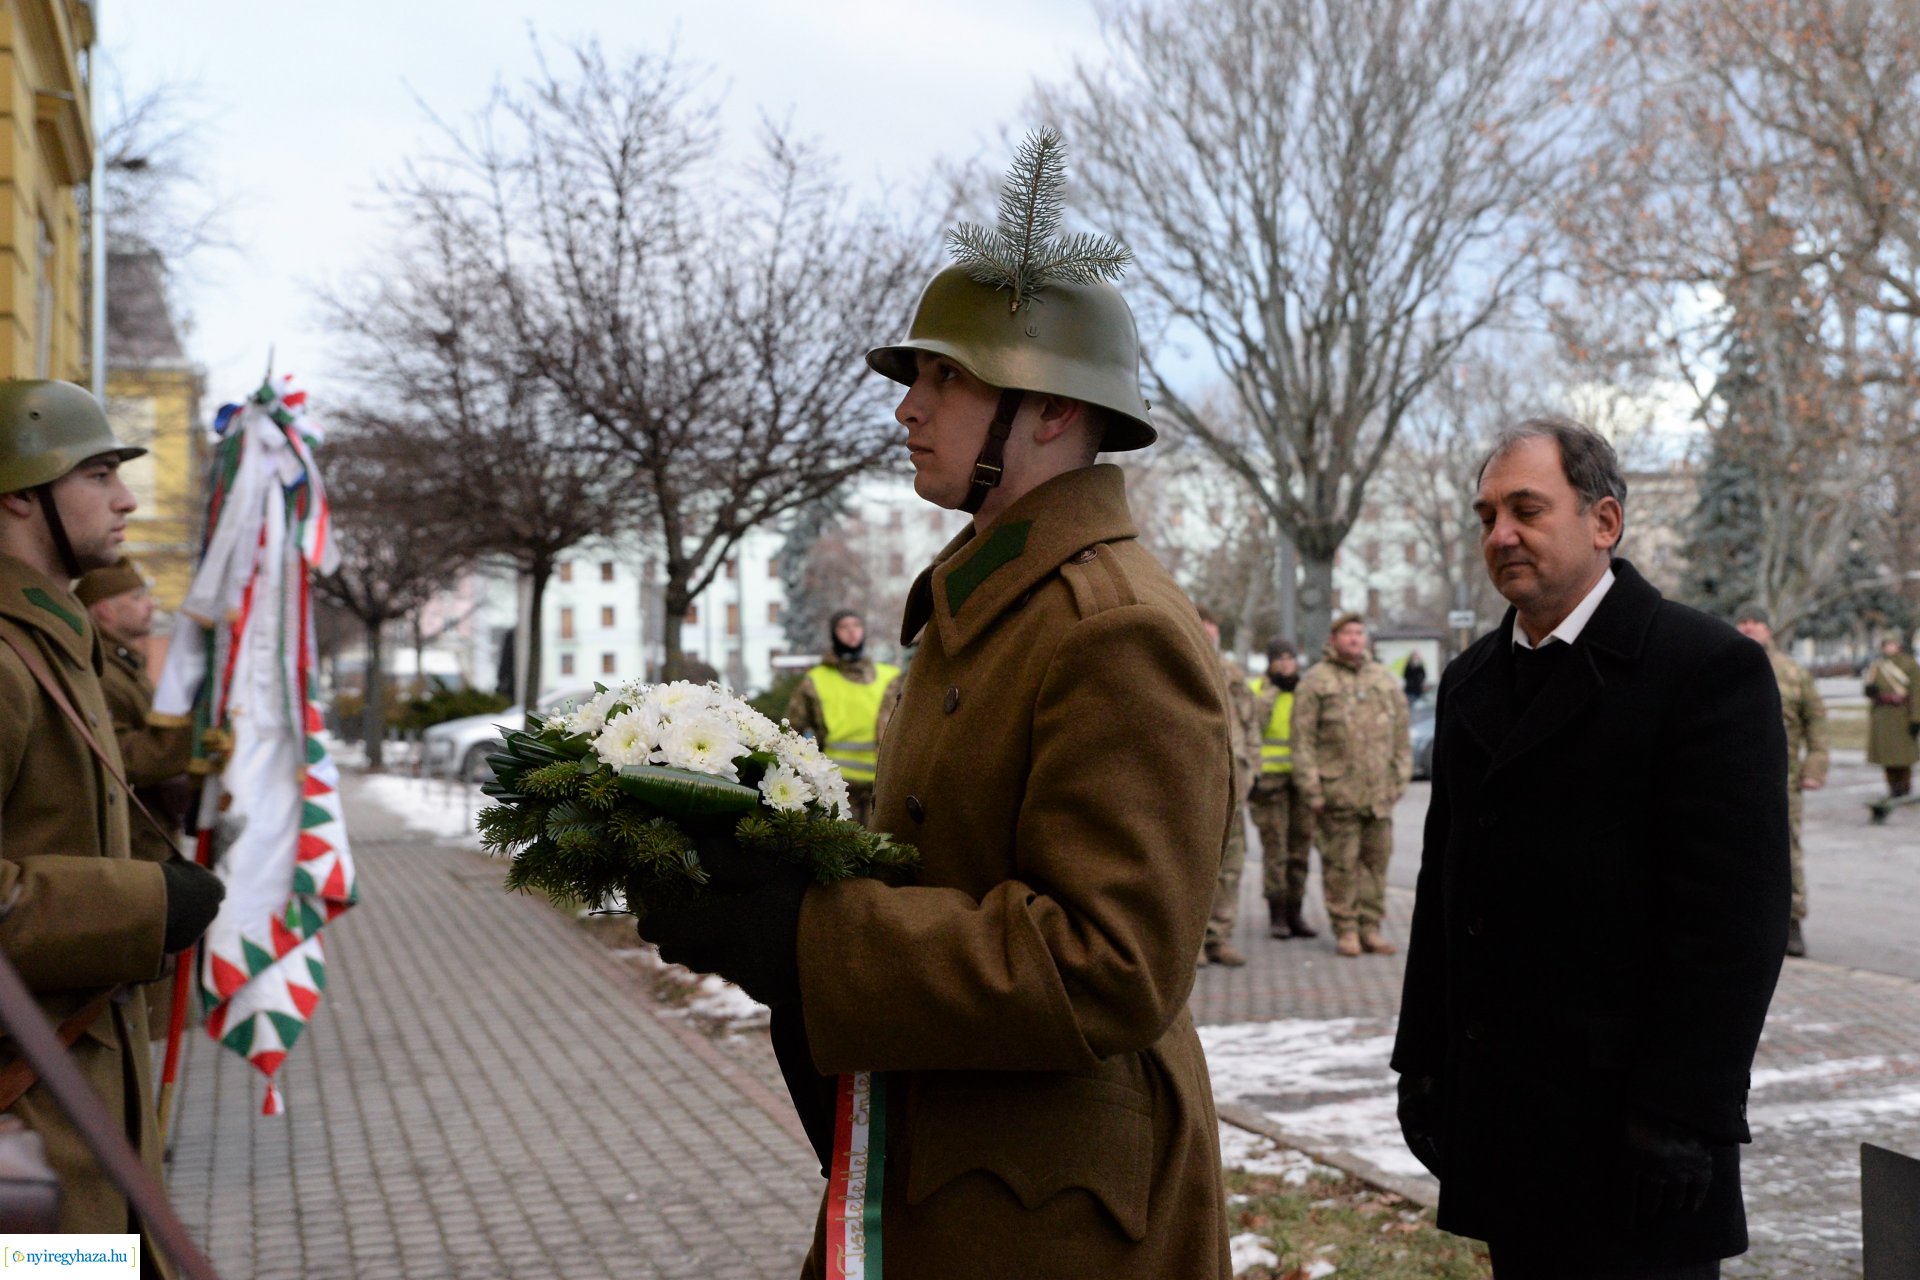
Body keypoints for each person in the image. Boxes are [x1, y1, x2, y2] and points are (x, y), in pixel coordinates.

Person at [633, 133, 1235, 1278]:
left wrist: (806, 937)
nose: (911, 404)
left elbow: (1107, 960)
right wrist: (765, 837)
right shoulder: (997, 596)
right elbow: (950, 834)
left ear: (1052, 409)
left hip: (1053, 1216)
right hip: (962, 1167)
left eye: (945, 375)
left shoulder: (1112, 623)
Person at [1393, 416, 1790, 1279]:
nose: (1501, 535)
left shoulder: (1703, 669)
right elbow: (1445, 894)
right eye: (1487, 514)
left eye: (1527, 509)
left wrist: (1685, 1112)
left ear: (1603, 522)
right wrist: (1421, 1062)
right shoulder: (1472, 681)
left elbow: (1734, 919)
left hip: (1640, 1142)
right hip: (1509, 1123)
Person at [0, 380, 224, 1262]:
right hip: (28, 1127)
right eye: (98, 472)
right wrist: (141, 906)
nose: (127, 497)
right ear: (21, 490)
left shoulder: (54, 638)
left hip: (75, 1108)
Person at [76, 560, 198, 1032]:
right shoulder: (102, 671)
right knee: (139, 1017)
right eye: (135, 598)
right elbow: (125, 756)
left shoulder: (123, 662)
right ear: (103, 610)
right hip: (133, 851)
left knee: (153, 1015)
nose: (150, 605)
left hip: (148, 842)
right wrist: (190, 735)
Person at [1291, 613, 1411, 958]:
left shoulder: (1384, 681)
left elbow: (1401, 737)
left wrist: (1399, 781)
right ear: (1333, 640)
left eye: (1360, 632)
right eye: (1348, 633)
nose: (1355, 639)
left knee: (1375, 867)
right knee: (1340, 865)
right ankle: (1346, 929)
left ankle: (1370, 928)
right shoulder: (1317, 681)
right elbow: (1303, 741)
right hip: (1336, 795)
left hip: (1379, 796)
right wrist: (1312, 789)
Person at [1733, 605, 1827, 959]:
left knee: (1785, 849)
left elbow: (1816, 721)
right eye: (1743, 622)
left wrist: (1815, 767)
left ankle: (1792, 923)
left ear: (1768, 629)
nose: (1749, 628)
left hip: (1781, 778)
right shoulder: (1724, 666)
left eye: (1756, 623)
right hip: (1730, 775)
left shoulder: (1791, 672)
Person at [783, 610, 900, 826]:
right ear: (834, 633)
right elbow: (790, 731)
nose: (851, 632)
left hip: (884, 787)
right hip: (837, 788)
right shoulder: (816, 680)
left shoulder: (890, 677)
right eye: (844, 627)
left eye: (856, 625)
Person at [1197, 606, 1259, 967]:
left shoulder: (1233, 675)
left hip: (1233, 787)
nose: (1207, 631)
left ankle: (1219, 937)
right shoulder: (1178, 663)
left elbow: (1251, 726)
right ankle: (1194, 945)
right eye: (1201, 623)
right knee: (1198, 869)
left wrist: (1251, 769)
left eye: (1211, 625)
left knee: (1231, 868)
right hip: (1195, 792)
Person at [1248, 639, 1318, 939]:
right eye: (1280, 658)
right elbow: (1254, 724)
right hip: (1270, 783)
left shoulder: (1306, 691)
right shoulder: (1259, 689)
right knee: (1276, 850)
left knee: (1300, 851)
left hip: (1301, 782)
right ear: (1270, 662)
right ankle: (1277, 915)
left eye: (1291, 657)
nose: (1287, 663)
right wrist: (1274, 689)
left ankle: (1295, 913)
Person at [1865, 633, 1919, 798]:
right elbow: (1870, 688)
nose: (1889, 647)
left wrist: (1916, 718)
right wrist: (1870, 691)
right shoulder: (1878, 665)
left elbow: (1916, 693)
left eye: (1892, 644)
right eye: (1886, 644)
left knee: (1903, 755)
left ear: (1898, 645)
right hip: (1883, 716)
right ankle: (1892, 787)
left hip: (1902, 715)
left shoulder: (1909, 664)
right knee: (1887, 755)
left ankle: (1904, 787)